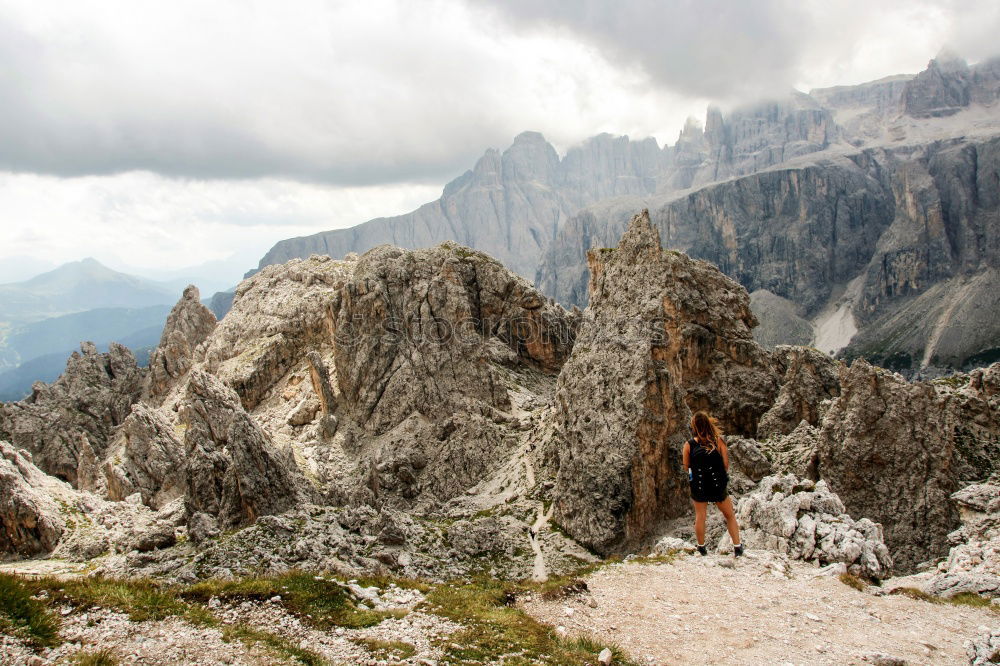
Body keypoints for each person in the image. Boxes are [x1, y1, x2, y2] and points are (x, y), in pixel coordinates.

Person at [682, 410, 743, 557]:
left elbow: (686, 466)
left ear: (694, 427)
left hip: (699, 484)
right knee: (729, 515)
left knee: (700, 516)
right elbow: (725, 464)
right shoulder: (719, 441)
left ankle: (702, 548)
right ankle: (737, 547)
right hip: (717, 484)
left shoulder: (689, 445)